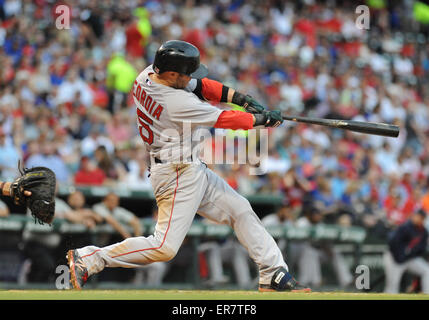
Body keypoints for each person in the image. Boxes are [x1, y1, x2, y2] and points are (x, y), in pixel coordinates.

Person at [67, 40, 310, 292]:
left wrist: (242, 98)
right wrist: (263, 120)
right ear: (172, 74)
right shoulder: (175, 103)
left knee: (241, 210)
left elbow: (203, 86)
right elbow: (225, 119)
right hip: (176, 173)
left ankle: (272, 272)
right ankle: (90, 258)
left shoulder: (148, 74)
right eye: (186, 74)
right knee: (163, 247)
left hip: (189, 168)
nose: (191, 78)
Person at [383, 209, 429, 294]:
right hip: (394, 258)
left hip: (408, 259)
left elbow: (422, 248)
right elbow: (392, 243)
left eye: (422, 218)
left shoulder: (424, 232)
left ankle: (427, 294)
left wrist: (411, 253)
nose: (419, 219)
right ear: (414, 216)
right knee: (392, 288)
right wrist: (400, 257)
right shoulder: (405, 227)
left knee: (426, 270)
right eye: (418, 216)